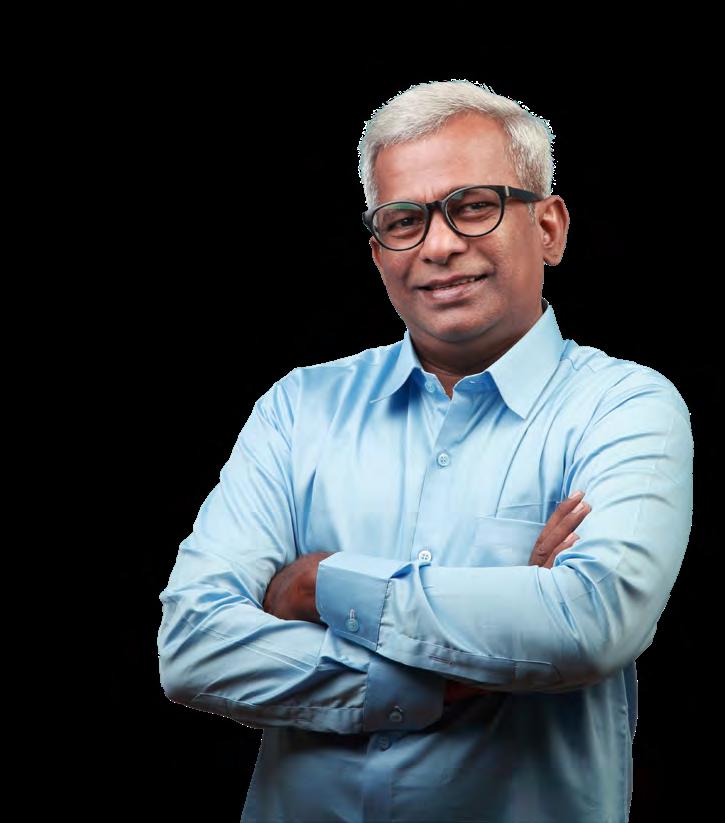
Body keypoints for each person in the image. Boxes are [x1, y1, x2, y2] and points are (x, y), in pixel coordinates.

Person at [157, 80, 693, 822]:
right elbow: (193, 647)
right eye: (403, 219)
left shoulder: (625, 407)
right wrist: (456, 668)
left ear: (548, 227)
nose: (437, 246)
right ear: (378, 252)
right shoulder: (298, 408)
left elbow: (587, 624)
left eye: (473, 206)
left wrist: (319, 585)